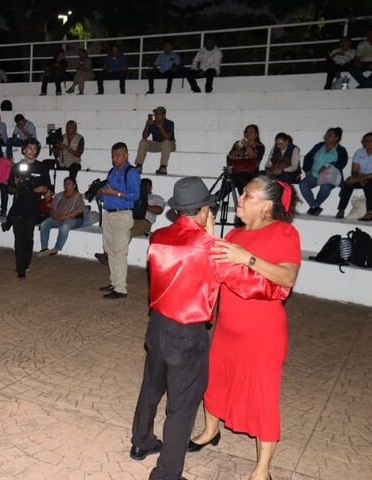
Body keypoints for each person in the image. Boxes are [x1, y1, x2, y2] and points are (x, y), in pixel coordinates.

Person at [131, 176, 291, 480]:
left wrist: (205, 236)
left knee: (151, 387)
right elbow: (258, 286)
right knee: (182, 406)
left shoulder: (159, 236)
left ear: (177, 209)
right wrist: (279, 288)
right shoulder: (213, 248)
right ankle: (167, 474)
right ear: (204, 210)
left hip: (157, 326)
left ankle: (141, 441)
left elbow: (184, 253)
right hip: (186, 335)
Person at [190, 176, 301, 480]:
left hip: (262, 334)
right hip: (227, 327)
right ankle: (210, 431)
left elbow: (287, 277)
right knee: (216, 381)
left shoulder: (284, 232)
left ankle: (262, 469)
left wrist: (246, 257)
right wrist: (208, 236)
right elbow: (215, 267)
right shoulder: (235, 233)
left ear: (267, 205)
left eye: (248, 196)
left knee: (263, 398)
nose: (239, 199)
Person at [98, 142, 141, 299]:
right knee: (110, 250)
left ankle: (121, 288)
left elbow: (135, 195)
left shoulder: (131, 172)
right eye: (113, 155)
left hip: (122, 215)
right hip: (109, 213)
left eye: (117, 155)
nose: (114, 158)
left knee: (120, 252)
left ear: (126, 155)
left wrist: (115, 193)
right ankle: (114, 282)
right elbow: (106, 193)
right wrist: (101, 192)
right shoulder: (113, 171)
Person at [6, 139, 51, 278]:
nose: (32, 151)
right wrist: (15, 185)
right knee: (19, 238)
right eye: (29, 148)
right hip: (18, 207)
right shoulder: (16, 167)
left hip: (33, 208)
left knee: (28, 238)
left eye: (34, 148)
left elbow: (48, 188)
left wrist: (41, 189)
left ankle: (25, 264)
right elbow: (10, 189)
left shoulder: (41, 168)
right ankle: (20, 267)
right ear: (24, 150)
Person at [299, 127, 348, 216]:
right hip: (314, 175)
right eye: (326, 135)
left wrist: (329, 166)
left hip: (330, 177)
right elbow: (308, 157)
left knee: (326, 187)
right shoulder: (319, 146)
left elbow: (342, 163)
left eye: (329, 136)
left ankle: (314, 207)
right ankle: (315, 206)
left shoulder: (341, 150)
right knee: (303, 184)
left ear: (336, 138)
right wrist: (307, 170)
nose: (326, 137)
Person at [37, 177, 85, 257]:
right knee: (44, 224)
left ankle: (56, 249)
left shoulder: (77, 196)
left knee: (64, 227)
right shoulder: (59, 195)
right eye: (65, 183)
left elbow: (78, 211)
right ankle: (44, 248)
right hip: (58, 217)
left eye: (68, 184)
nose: (66, 185)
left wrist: (64, 217)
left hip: (73, 219)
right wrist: (53, 215)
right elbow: (51, 208)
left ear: (74, 185)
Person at [336, 132, 372, 221]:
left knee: (369, 185)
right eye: (365, 140)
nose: (367, 142)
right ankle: (341, 210)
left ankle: (370, 212)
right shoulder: (359, 152)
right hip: (360, 177)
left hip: (369, 178)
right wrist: (359, 178)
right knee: (348, 183)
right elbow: (354, 170)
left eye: (370, 140)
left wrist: (362, 178)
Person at [226, 124, 266, 195]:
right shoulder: (239, 143)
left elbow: (254, 157)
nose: (248, 134)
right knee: (227, 183)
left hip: (250, 172)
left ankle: (244, 198)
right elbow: (231, 155)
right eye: (246, 132)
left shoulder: (260, 146)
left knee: (240, 178)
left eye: (251, 132)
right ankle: (213, 199)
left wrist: (247, 146)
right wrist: (239, 147)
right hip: (236, 170)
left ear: (256, 134)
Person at [135, 107, 176, 175]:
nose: (156, 116)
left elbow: (167, 137)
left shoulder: (169, 123)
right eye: (155, 114)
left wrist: (160, 127)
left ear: (163, 115)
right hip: (157, 144)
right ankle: (139, 166)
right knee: (143, 142)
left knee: (166, 143)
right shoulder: (153, 123)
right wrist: (147, 125)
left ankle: (163, 167)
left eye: (158, 114)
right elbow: (144, 137)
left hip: (169, 144)